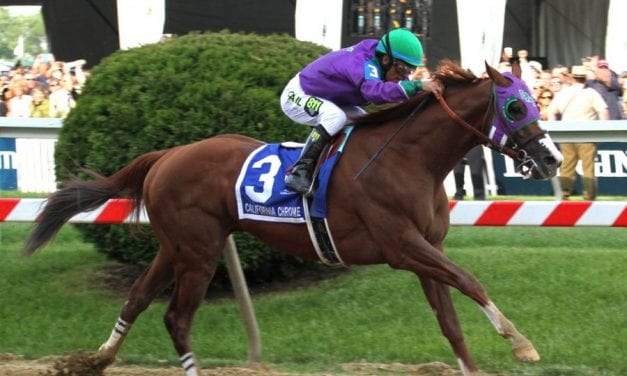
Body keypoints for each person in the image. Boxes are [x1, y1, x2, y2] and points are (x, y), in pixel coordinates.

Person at [280, 28, 443, 194]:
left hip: (331, 99)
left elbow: (402, 94)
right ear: (386, 59)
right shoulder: (362, 62)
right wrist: (417, 85)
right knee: (334, 117)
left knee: (367, 124)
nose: (405, 76)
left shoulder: (384, 63)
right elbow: (374, 92)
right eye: (402, 68)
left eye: (410, 70)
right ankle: (299, 172)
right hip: (298, 94)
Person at [547, 65, 609, 200]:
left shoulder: (563, 93)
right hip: (586, 134)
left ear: (573, 78)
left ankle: (564, 194)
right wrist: (604, 130)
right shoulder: (591, 93)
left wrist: (554, 128)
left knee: (566, 167)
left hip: (566, 134)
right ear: (585, 79)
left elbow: (551, 111)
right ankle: (589, 196)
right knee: (588, 167)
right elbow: (603, 110)